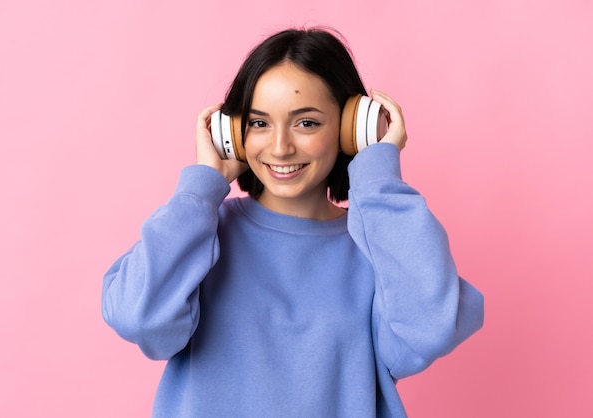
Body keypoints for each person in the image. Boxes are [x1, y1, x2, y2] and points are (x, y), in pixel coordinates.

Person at [101, 27, 484, 418]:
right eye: (259, 123)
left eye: (307, 123)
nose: (280, 147)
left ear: (352, 129)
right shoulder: (197, 234)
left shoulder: (379, 247)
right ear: (232, 133)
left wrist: (380, 180)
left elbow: (431, 327)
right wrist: (202, 188)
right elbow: (138, 317)